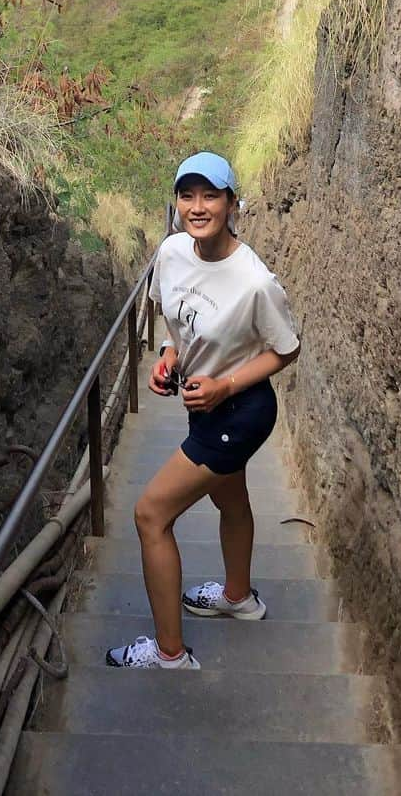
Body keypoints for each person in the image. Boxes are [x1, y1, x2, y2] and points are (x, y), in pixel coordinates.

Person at [106, 151, 300, 669]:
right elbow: (177, 322)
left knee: (151, 514)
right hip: (204, 402)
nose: (197, 207)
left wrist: (223, 386)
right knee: (229, 498)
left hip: (240, 411)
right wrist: (168, 356)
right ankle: (239, 599)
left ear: (233, 203)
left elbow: (286, 349)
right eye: (187, 195)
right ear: (176, 203)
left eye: (211, 195)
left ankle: (170, 654)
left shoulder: (255, 281)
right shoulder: (172, 253)